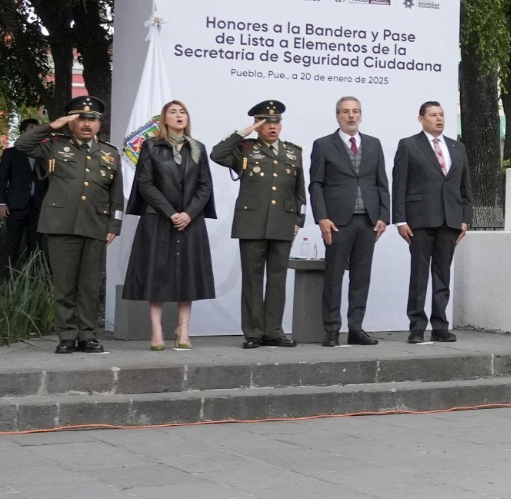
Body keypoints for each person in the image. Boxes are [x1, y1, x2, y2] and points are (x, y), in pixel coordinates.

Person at [17, 97, 122, 354]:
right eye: (81, 119)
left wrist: (114, 225)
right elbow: (22, 144)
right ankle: (66, 336)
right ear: (71, 122)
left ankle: (88, 335)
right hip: (60, 224)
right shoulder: (55, 146)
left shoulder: (110, 153)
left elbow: (116, 194)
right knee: (64, 285)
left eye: (92, 119)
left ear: (99, 124)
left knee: (90, 285)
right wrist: (52, 125)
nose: (87, 124)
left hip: (95, 224)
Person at [123, 100, 217, 349]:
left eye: (182, 111)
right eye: (173, 112)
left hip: (190, 221)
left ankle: (183, 330)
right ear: (164, 119)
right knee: (157, 273)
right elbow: (145, 183)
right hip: (158, 219)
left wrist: (189, 213)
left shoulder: (197, 147)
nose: (179, 115)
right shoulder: (151, 146)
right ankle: (157, 331)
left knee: (188, 274)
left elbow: (205, 185)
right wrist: (170, 212)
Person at [212, 100, 305, 348]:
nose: (272, 127)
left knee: (277, 280)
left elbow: (300, 191)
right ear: (257, 125)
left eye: (276, 122)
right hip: (252, 222)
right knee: (253, 279)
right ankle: (253, 332)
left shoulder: (293, 152)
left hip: (283, 222)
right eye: (266, 122)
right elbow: (217, 154)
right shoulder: (244, 149)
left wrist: (299, 219)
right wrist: (244, 132)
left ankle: (274, 331)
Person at [309, 96, 389, 346]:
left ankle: (356, 328)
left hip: (368, 221)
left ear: (361, 115)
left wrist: (384, 216)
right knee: (334, 277)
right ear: (337, 116)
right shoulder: (323, 145)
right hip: (338, 221)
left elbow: (381, 183)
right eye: (346, 112)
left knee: (361, 277)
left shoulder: (374, 144)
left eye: (355, 111)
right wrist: (322, 217)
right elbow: (316, 185)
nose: (351, 116)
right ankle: (332, 330)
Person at [393, 101, 472, 344]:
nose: (439, 119)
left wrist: (465, 219)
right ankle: (417, 327)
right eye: (433, 115)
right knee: (419, 275)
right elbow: (399, 184)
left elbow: (465, 186)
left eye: (441, 114)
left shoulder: (457, 147)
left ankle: (440, 326)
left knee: (442, 275)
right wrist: (400, 220)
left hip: (450, 220)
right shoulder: (409, 145)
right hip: (420, 220)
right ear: (421, 119)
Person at [0, 118, 45, 272]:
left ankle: (33, 278)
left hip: (37, 205)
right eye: (32, 128)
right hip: (16, 205)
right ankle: (8, 278)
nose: (35, 131)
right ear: (23, 132)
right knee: (12, 244)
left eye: (37, 128)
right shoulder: (11, 153)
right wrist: (2, 203)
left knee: (35, 245)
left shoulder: (43, 154)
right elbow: (2, 179)